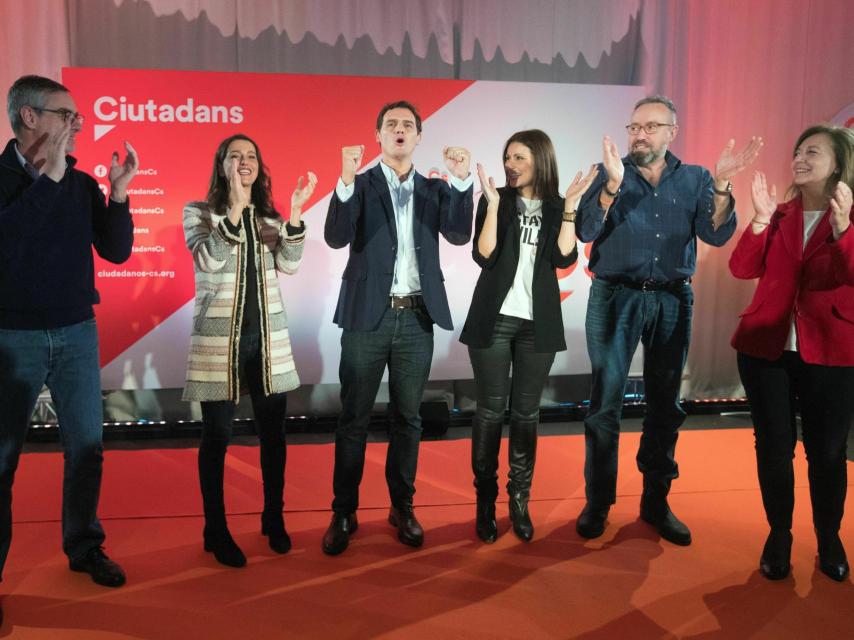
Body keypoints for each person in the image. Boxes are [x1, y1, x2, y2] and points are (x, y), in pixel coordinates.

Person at [575, 95, 762, 545]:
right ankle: (598, 502)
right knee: (605, 404)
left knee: (665, 404)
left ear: (671, 132)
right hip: (614, 295)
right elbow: (584, 230)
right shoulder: (609, 173)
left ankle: (655, 501)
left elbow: (715, 233)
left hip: (672, 299)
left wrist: (721, 186)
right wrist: (609, 188)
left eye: (650, 127)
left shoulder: (696, 178)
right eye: (634, 126)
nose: (639, 134)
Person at [0, 75, 138, 587]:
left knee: (86, 450)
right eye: (66, 115)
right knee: (2, 461)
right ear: (29, 117)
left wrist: (119, 194)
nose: (78, 124)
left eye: (78, 116)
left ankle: (84, 547)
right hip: (12, 340)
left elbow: (117, 251)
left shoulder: (81, 184)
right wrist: (48, 182)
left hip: (78, 334)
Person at [322, 100, 473, 555]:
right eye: (392, 125)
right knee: (354, 419)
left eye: (408, 125)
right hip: (367, 318)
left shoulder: (436, 189)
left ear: (420, 137)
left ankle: (402, 507)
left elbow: (460, 234)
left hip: (417, 317)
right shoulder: (360, 185)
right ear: (379, 137)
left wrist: (463, 182)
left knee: (408, 419)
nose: (400, 131)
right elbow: (335, 236)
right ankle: (343, 510)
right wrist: (345, 181)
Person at [182, 133, 315, 567]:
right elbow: (209, 260)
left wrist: (294, 215)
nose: (244, 161)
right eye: (235, 155)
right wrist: (235, 208)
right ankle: (215, 529)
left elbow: (290, 265)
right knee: (217, 436)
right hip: (219, 345)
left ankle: (273, 518)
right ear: (221, 165)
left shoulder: (269, 218)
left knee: (273, 435)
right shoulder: (198, 213)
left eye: (251, 155)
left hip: (268, 343)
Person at [730, 124, 854, 582]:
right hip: (766, 350)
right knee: (775, 451)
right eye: (798, 150)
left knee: (827, 453)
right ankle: (779, 534)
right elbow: (742, 268)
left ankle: (829, 536)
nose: (800, 157)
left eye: (813, 152)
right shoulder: (779, 213)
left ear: (839, 163)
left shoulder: (851, 216)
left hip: (833, 351)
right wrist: (760, 219)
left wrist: (843, 229)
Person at [460, 130, 596, 543]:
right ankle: (485, 502)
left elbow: (564, 257)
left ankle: (519, 499)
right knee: (488, 412)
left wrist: (570, 208)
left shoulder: (557, 205)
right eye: (508, 158)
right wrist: (494, 207)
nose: (511, 165)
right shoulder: (495, 198)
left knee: (526, 414)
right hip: (494, 319)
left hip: (538, 323)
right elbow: (482, 255)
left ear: (539, 160)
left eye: (519, 157)